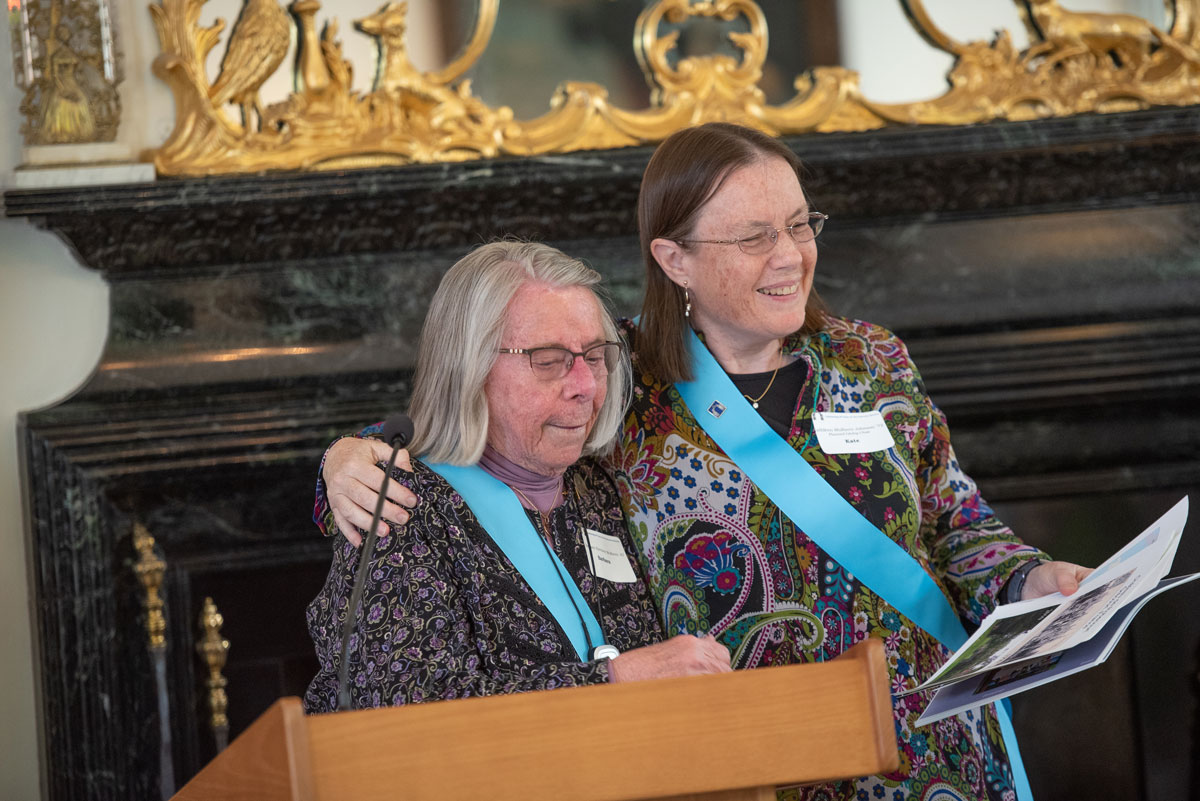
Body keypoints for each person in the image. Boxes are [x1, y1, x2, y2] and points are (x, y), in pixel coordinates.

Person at [315, 124, 1091, 800]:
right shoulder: (624, 378)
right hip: (754, 768)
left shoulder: (871, 360)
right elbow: (475, 418)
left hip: (932, 746)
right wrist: (344, 459)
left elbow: (957, 522)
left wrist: (1029, 578)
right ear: (674, 259)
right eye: (754, 236)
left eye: (799, 224)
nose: (790, 255)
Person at [304, 241, 731, 714]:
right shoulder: (400, 505)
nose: (586, 387)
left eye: (594, 356)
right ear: (470, 368)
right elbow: (413, 711)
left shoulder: (595, 488)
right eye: (548, 360)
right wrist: (620, 678)